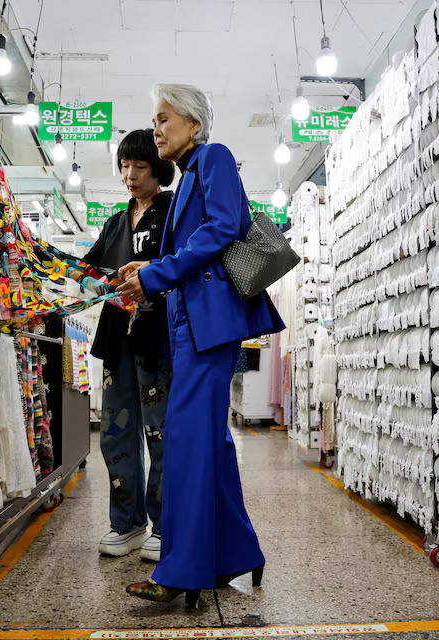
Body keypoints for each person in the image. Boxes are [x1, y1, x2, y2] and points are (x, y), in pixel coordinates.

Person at [117, 84, 285, 607]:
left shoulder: (212, 158)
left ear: (193, 125)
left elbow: (222, 229)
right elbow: (200, 241)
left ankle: (182, 571)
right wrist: (151, 267)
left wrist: (159, 272)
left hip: (206, 326)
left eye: (165, 119)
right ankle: (237, 552)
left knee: (187, 444)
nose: (157, 129)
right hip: (196, 324)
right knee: (209, 443)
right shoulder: (192, 175)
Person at [82, 129, 176, 562]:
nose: (130, 175)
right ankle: (128, 522)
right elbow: (89, 267)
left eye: (139, 167)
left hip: (157, 336)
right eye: (124, 166)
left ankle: (164, 525)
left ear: (158, 170)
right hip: (116, 338)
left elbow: (184, 265)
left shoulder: (174, 212)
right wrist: (92, 280)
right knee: (116, 432)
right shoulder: (115, 222)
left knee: (160, 433)